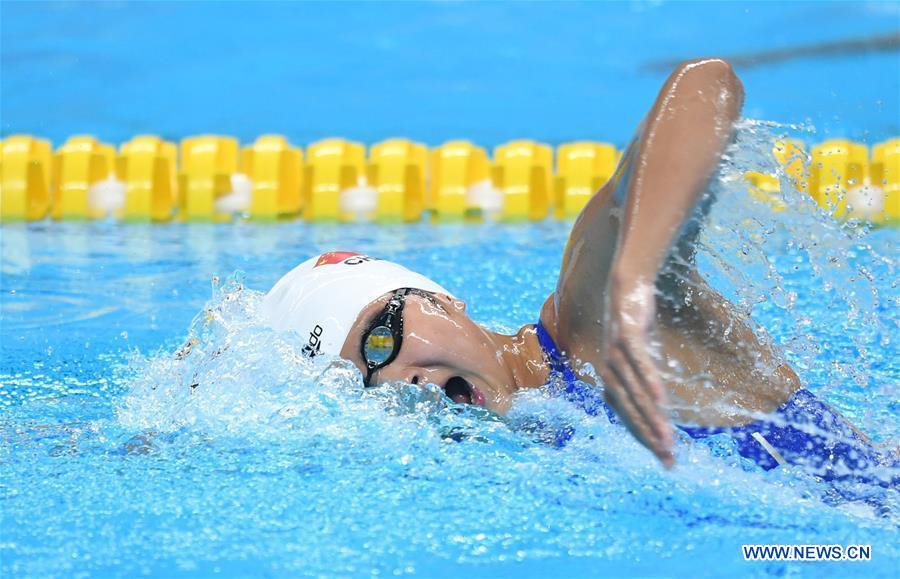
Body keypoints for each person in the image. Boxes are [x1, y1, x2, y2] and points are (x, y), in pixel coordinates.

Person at [261, 59, 896, 489]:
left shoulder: (588, 325)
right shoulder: (526, 443)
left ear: (442, 300)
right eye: (367, 384)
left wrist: (637, 277)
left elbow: (707, 85)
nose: (402, 380)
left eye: (380, 337)